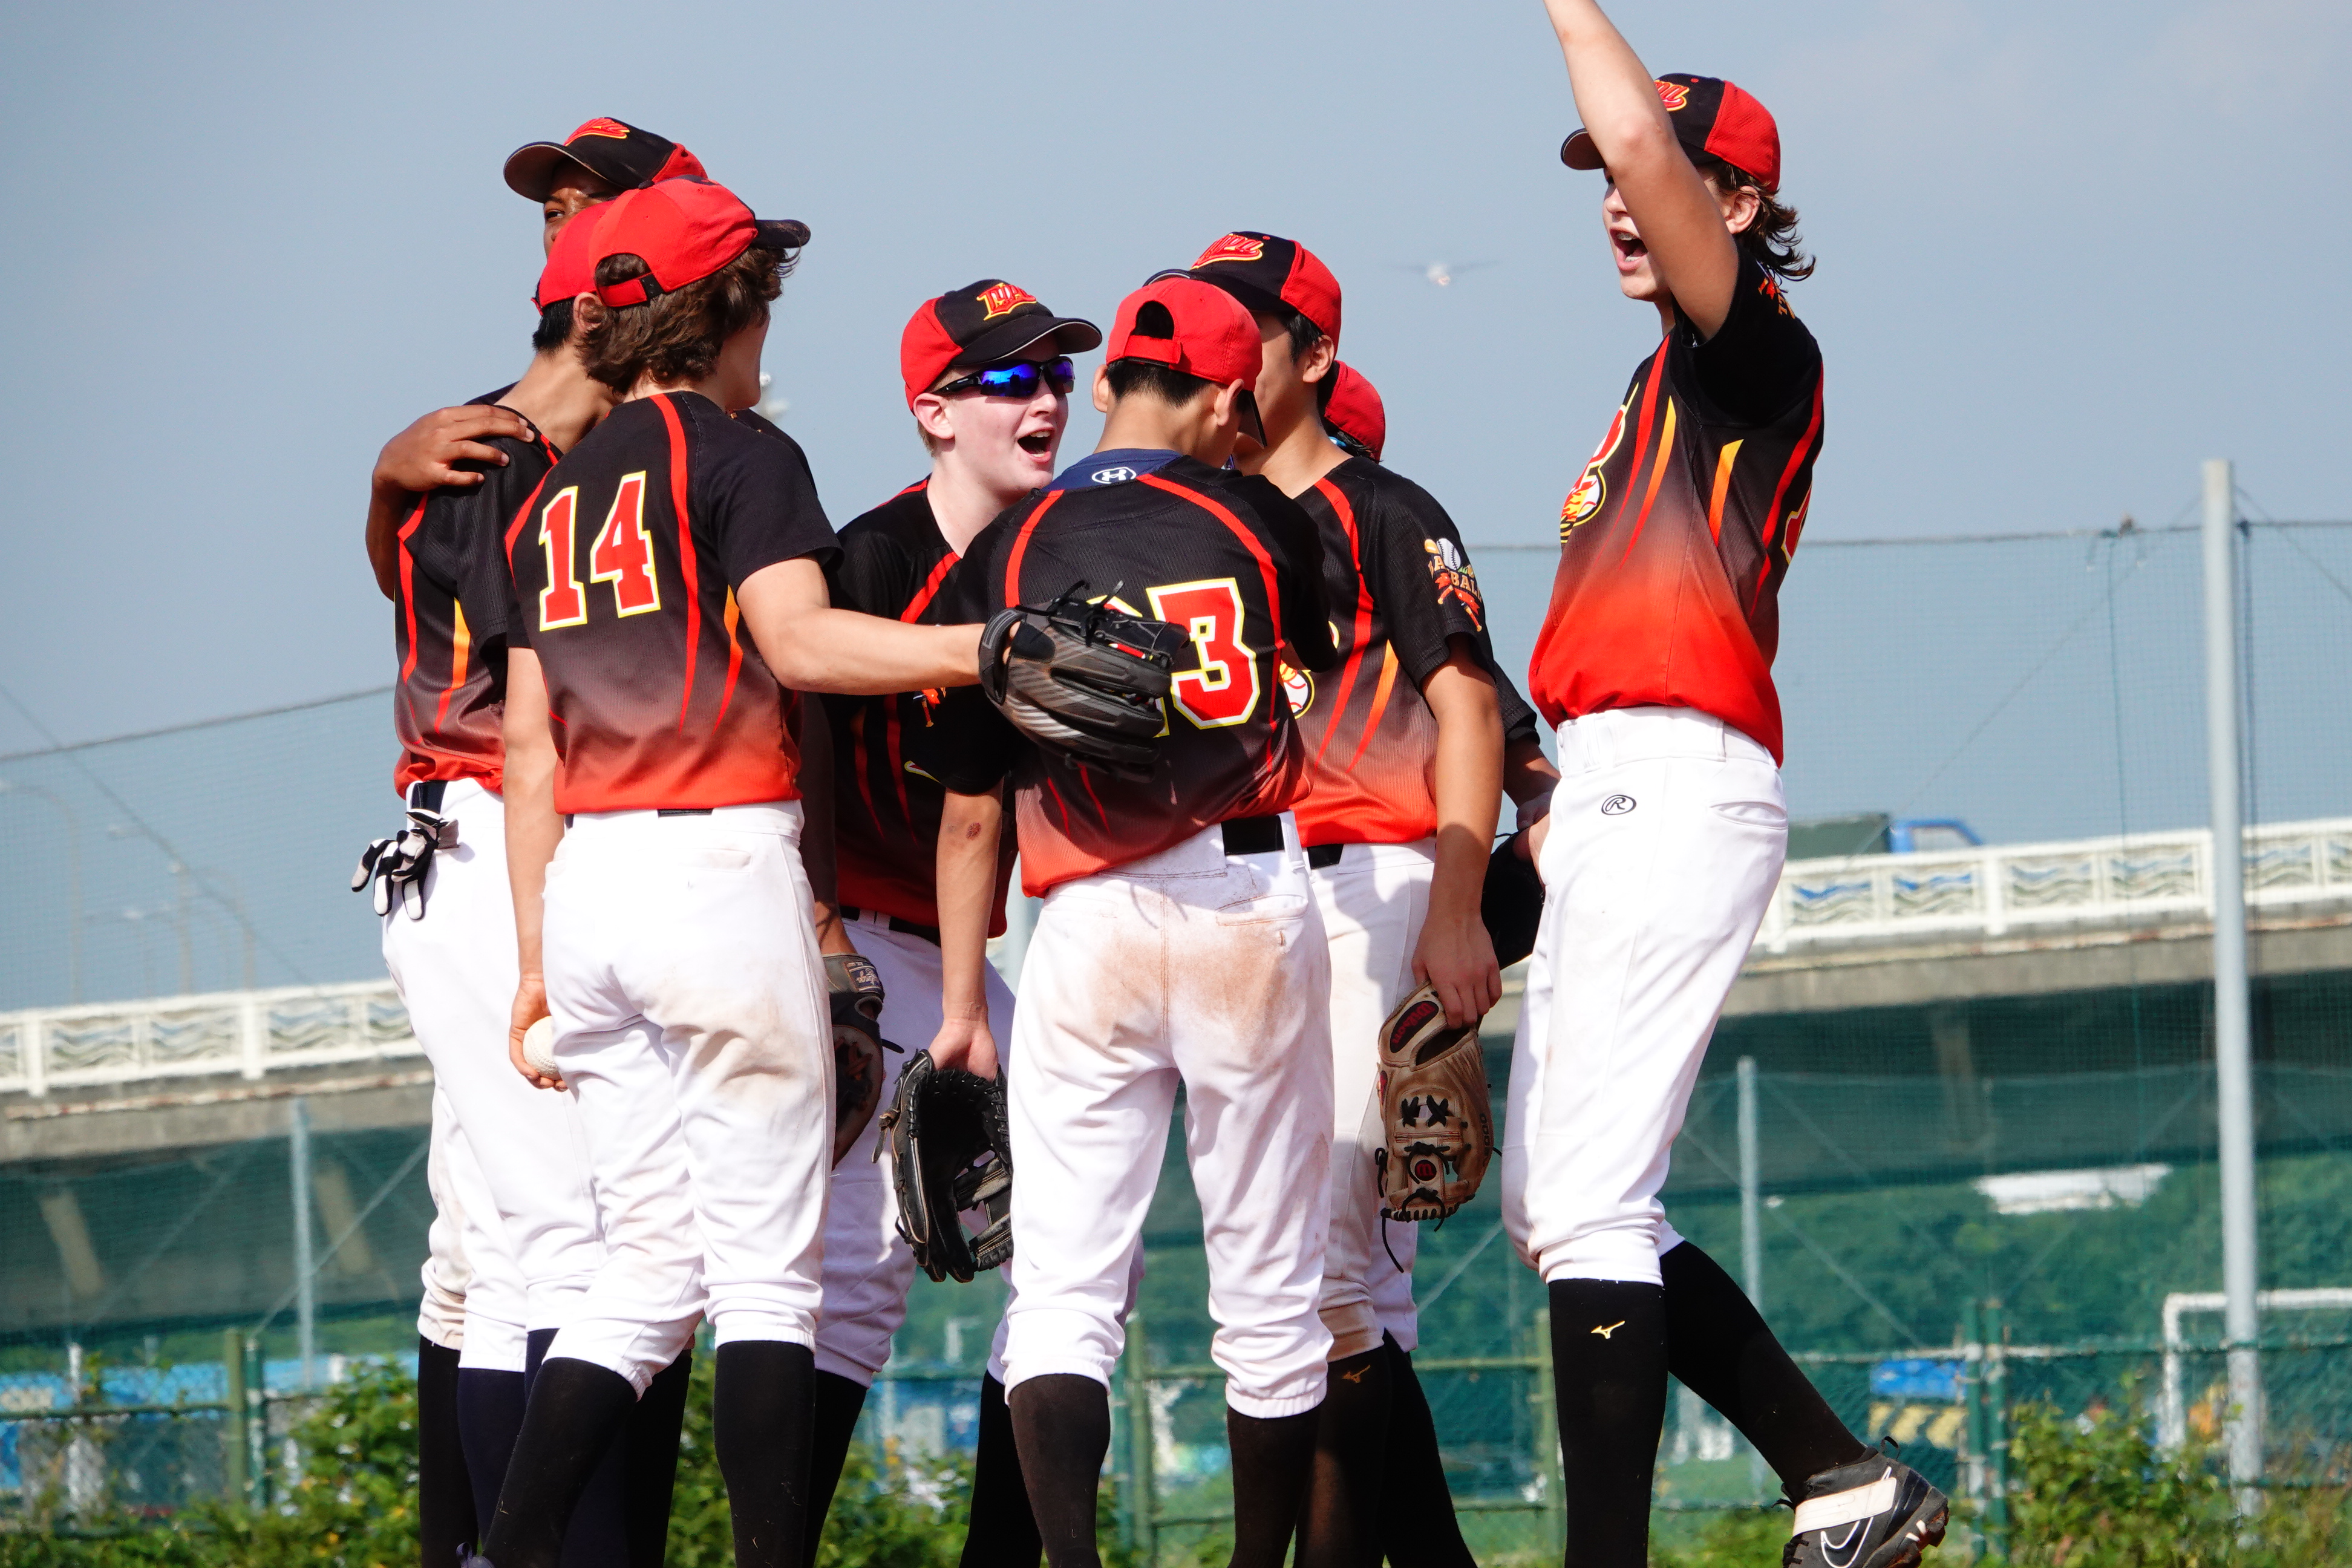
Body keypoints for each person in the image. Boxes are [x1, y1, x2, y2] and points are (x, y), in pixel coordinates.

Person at [480, 175, 995, 1568]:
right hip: (720, 869)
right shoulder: (740, 453)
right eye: (760, 296)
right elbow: (805, 644)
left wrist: (531, 964)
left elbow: (526, 750)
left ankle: (507, 1549)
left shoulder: (550, 494)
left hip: (589, 884)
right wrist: (984, 648)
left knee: (644, 1273)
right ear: (728, 307)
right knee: (767, 1278)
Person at [1511, 7, 1946, 1567]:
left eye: (1657, 180)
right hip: (1616, 783)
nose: (1619, 200)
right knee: (1560, 1209)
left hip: (1678, 775)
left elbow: (1639, 134)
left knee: (1592, 1205)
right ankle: (1838, 1477)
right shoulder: (1655, 386)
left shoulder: (1754, 350)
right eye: (1607, 184)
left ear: (1739, 204)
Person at [923, 275, 1343, 1568]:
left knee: (1062, 1290)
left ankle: (1069, 1561)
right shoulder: (1260, 513)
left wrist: (961, 1007)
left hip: (1083, 914)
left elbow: (972, 813)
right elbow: (1313, 665)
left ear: (1104, 386)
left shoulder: (1008, 545)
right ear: (1225, 400)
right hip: (1243, 897)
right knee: (1267, 1291)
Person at [1177, 237, 1556, 1568]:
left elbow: (1483, 718)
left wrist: (1461, 912)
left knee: (1334, 1279)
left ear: (1315, 353)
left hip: (1369, 879)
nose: (1229, 350)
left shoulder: (1384, 509)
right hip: (1254, 895)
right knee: (1315, 1282)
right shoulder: (1208, 522)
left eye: (1254, 327)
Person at [365, 126, 699, 1568]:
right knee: (584, 1242)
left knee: (508, 1252)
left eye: (598, 201)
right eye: (565, 206)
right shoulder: (503, 448)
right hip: (501, 840)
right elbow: (531, 702)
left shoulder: (558, 444)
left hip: (517, 843)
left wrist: (380, 486)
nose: (567, 220)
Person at [802, 278, 1103, 1567]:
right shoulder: (866, 561)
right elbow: (790, 763)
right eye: (1009, 379)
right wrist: (825, 949)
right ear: (933, 412)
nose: (1045, 400)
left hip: (961, 959)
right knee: (854, 1279)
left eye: (1057, 376)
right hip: (865, 943)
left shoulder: (1066, 557)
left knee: (1079, 1247)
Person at [365, 119, 709, 603]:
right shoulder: (491, 437)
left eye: (599, 206)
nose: (565, 230)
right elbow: (418, 592)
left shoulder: (713, 429)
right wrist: (387, 487)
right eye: (554, 212)